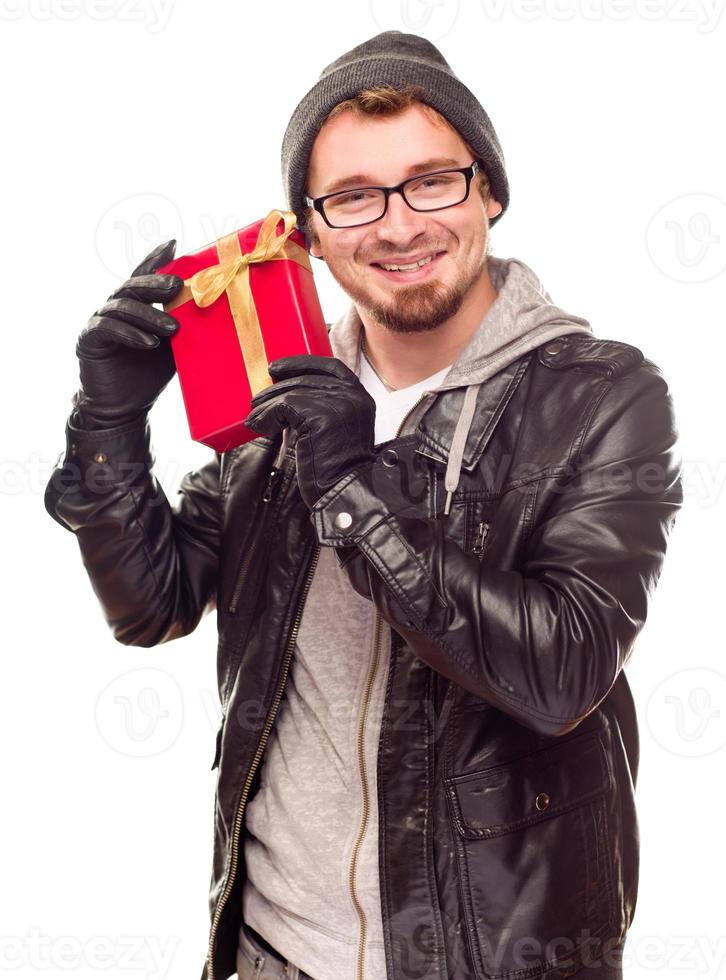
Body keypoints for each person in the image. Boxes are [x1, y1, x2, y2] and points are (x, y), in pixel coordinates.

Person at [44, 29, 683, 980]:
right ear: (307, 229)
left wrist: (355, 488)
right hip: (267, 948)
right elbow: (153, 604)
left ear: (490, 191)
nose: (397, 225)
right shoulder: (282, 393)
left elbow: (562, 671)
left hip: (491, 958)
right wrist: (107, 419)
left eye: (433, 181)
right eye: (353, 196)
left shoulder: (602, 396)